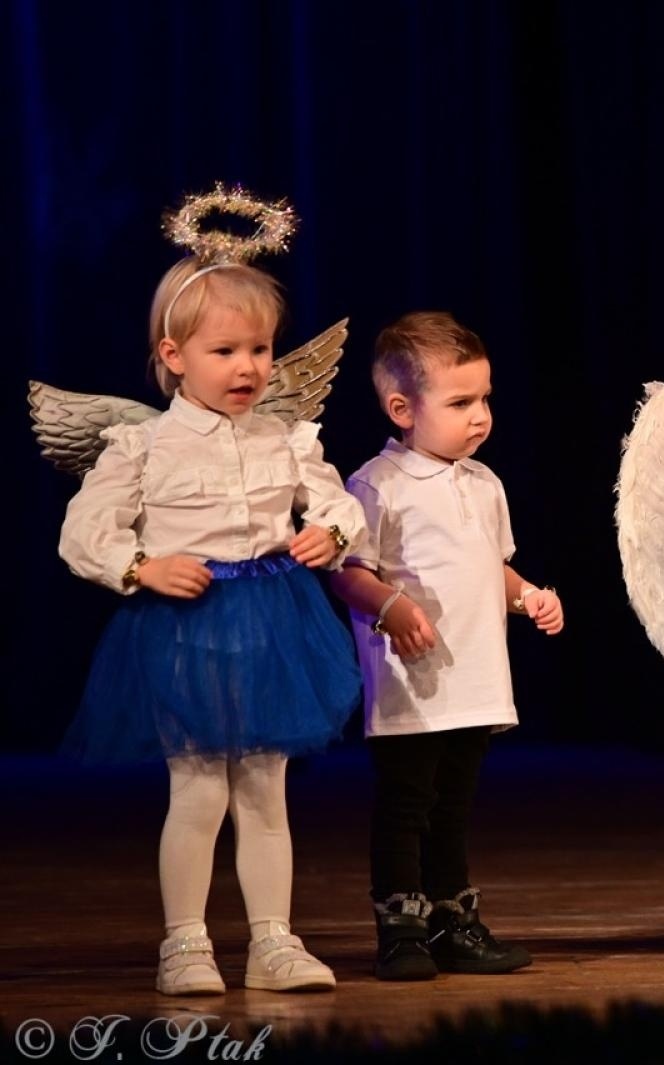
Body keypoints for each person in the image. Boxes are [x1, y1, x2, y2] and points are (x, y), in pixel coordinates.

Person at [58, 191, 364, 994]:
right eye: (227, 350)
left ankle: (274, 940)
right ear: (173, 355)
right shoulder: (144, 444)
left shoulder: (287, 436)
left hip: (271, 622)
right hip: (187, 626)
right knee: (197, 788)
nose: (250, 368)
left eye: (261, 349)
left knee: (265, 787)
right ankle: (185, 942)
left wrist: (330, 533)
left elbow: (338, 502)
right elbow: (84, 530)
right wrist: (140, 565)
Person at [330, 311, 562, 981]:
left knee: (454, 805)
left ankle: (451, 919)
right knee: (408, 804)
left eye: (485, 397)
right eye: (461, 402)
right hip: (412, 683)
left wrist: (526, 595)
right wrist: (393, 604)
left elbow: (494, 564)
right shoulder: (378, 484)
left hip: (474, 680)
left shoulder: (484, 483)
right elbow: (346, 572)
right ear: (402, 407)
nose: (480, 415)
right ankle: (400, 926)